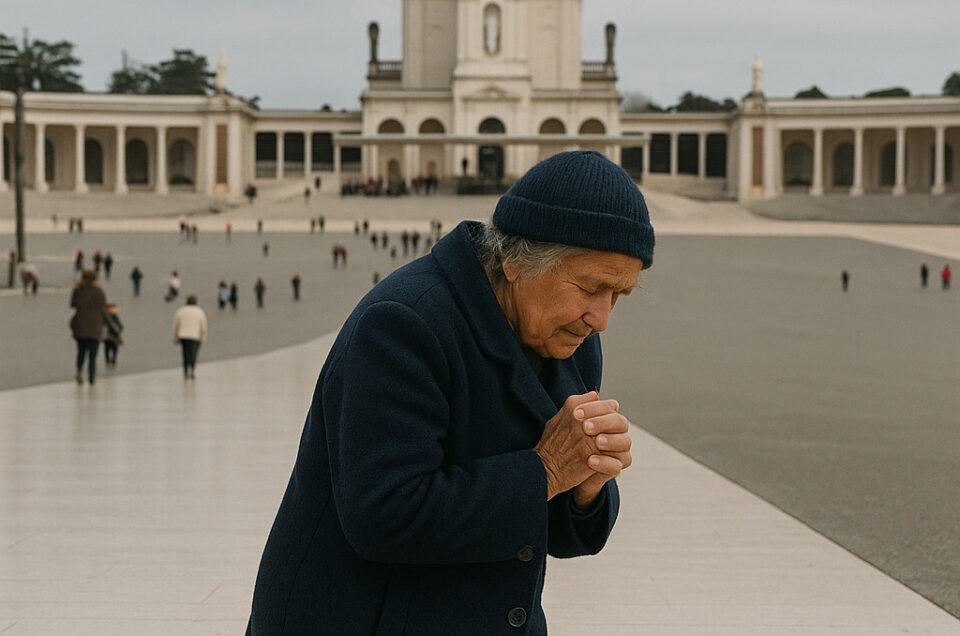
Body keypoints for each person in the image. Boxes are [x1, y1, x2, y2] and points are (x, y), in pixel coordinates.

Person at [246, 151, 652, 635]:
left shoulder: (571, 339)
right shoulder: (404, 322)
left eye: (618, 295)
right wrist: (545, 471)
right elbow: (382, 515)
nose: (601, 318)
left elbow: (542, 526)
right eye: (589, 288)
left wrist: (584, 488)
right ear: (515, 261)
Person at [70, 269, 107, 385]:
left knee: (81, 352)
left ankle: (79, 371)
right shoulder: (99, 291)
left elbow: (73, 304)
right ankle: (92, 377)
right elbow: (103, 306)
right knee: (93, 355)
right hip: (95, 326)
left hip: (80, 325)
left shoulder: (78, 290)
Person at [173, 295, 207, 379]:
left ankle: (185, 371)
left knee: (185, 353)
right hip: (195, 336)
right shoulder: (199, 312)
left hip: (183, 335)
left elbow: (176, 325)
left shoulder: (181, 311)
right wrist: (203, 336)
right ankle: (192, 370)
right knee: (193, 354)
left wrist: (175, 336)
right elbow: (203, 326)